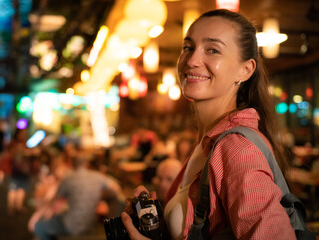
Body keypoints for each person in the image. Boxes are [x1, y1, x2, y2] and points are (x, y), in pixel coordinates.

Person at [121, 9, 296, 240]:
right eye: (187, 47)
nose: (192, 60)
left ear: (246, 70)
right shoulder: (208, 142)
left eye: (213, 50)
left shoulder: (236, 148)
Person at [33, 148, 123, 240]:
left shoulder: (68, 179)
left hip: (71, 225)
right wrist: (98, 196)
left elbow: (54, 201)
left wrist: (39, 212)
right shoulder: (97, 176)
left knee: (38, 226)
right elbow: (116, 188)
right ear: (86, 164)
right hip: (90, 224)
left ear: (72, 164)